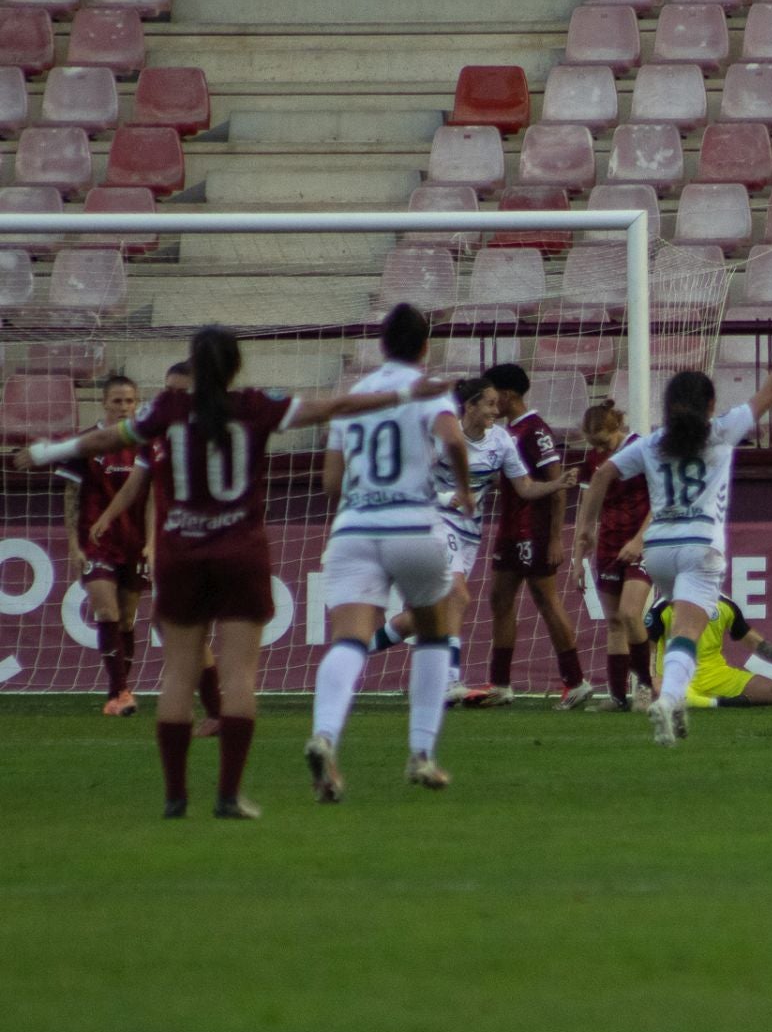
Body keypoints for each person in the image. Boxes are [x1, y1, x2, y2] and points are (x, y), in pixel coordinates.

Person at [12, 324, 450, 818]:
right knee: (239, 673)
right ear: (236, 366)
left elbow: (108, 437)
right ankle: (228, 795)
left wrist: (46, 452)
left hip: (181, 549)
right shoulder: (256, 406)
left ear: (194, 367)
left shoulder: (168, 411)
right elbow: (333, 407)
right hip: (240, 549)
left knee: (178, 673)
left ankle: (176, 796)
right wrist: (409, 390)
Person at [575, 324, 772, 746]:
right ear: (710, 404)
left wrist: (585, 530)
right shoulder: (721, 430)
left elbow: (605, 472)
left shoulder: (653, 442)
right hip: (701, 545)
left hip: (659, 547)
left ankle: (671, 699)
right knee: (687, 632)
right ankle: (668, 699)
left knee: (682, 627)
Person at [305, 305, 477, 801]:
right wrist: (463, 490)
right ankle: (422, 753)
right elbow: (453, 441)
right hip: (412, 524)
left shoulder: (352, 397)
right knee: (434, 632)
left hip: (354, 528)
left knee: (349, 641)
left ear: (381, 345)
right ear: (425, 347)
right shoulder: (427, 390)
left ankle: (325, 736)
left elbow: (330, 483)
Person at [369, 377, 576, 703]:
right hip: (433, 520)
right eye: (490, 404)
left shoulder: (502, 441)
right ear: (470, 406)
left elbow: (524, 487)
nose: (496, 410)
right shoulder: (440, 436)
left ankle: (356, 649)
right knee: (458, 596)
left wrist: (556, 484)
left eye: (497, 403)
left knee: (431, 612)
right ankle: (448, 682)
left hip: (469, 531)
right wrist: (446, 495)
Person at [88, 363, 223, 735]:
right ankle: (216, 710)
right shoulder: (159, 435)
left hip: (202, 539)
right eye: (167, 390)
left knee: (179, 624)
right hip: (173, 542)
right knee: (173, 624)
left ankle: (217, 711)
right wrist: (107, 518)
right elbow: (136, 485)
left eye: (181, 391)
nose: (172, 398)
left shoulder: (211, 435)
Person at [467, 362, 591, 709]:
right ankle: (502, 684)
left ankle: (576, 681)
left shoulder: (535, 431)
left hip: (532, 531)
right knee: (499, 600)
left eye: (494, 397)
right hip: (509, 529)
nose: (491, 403)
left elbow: (558, 483)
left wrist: (555, 537)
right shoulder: (507, 433)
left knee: (546, 600)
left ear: (507, 396)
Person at [56, 374, 146, 717]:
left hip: (134, 541)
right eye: (117, 401)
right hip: (96, 542)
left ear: (136, 404)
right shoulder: (87, 443)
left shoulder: (144, 443)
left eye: (130, 401)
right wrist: (73, 545)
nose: (124, 407)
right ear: (104, 403)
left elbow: (151, 497)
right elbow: (71, 495)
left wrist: (152, 542)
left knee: (126, 620)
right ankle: (118, 693)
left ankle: (122, 689)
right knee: (106, 612)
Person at [573, 401, 653, 712]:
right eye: (594, 444)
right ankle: (618, 697)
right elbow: (587, 508)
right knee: (615, 622)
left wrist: (639, 540)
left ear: (617, 428)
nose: (600, 450)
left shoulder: (642, 450)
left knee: (631, 614)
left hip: (642, 544)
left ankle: (645, 688)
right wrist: (579, 556)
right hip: (608, 543)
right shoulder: (592, 460)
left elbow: (660, 501)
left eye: (604, 442)